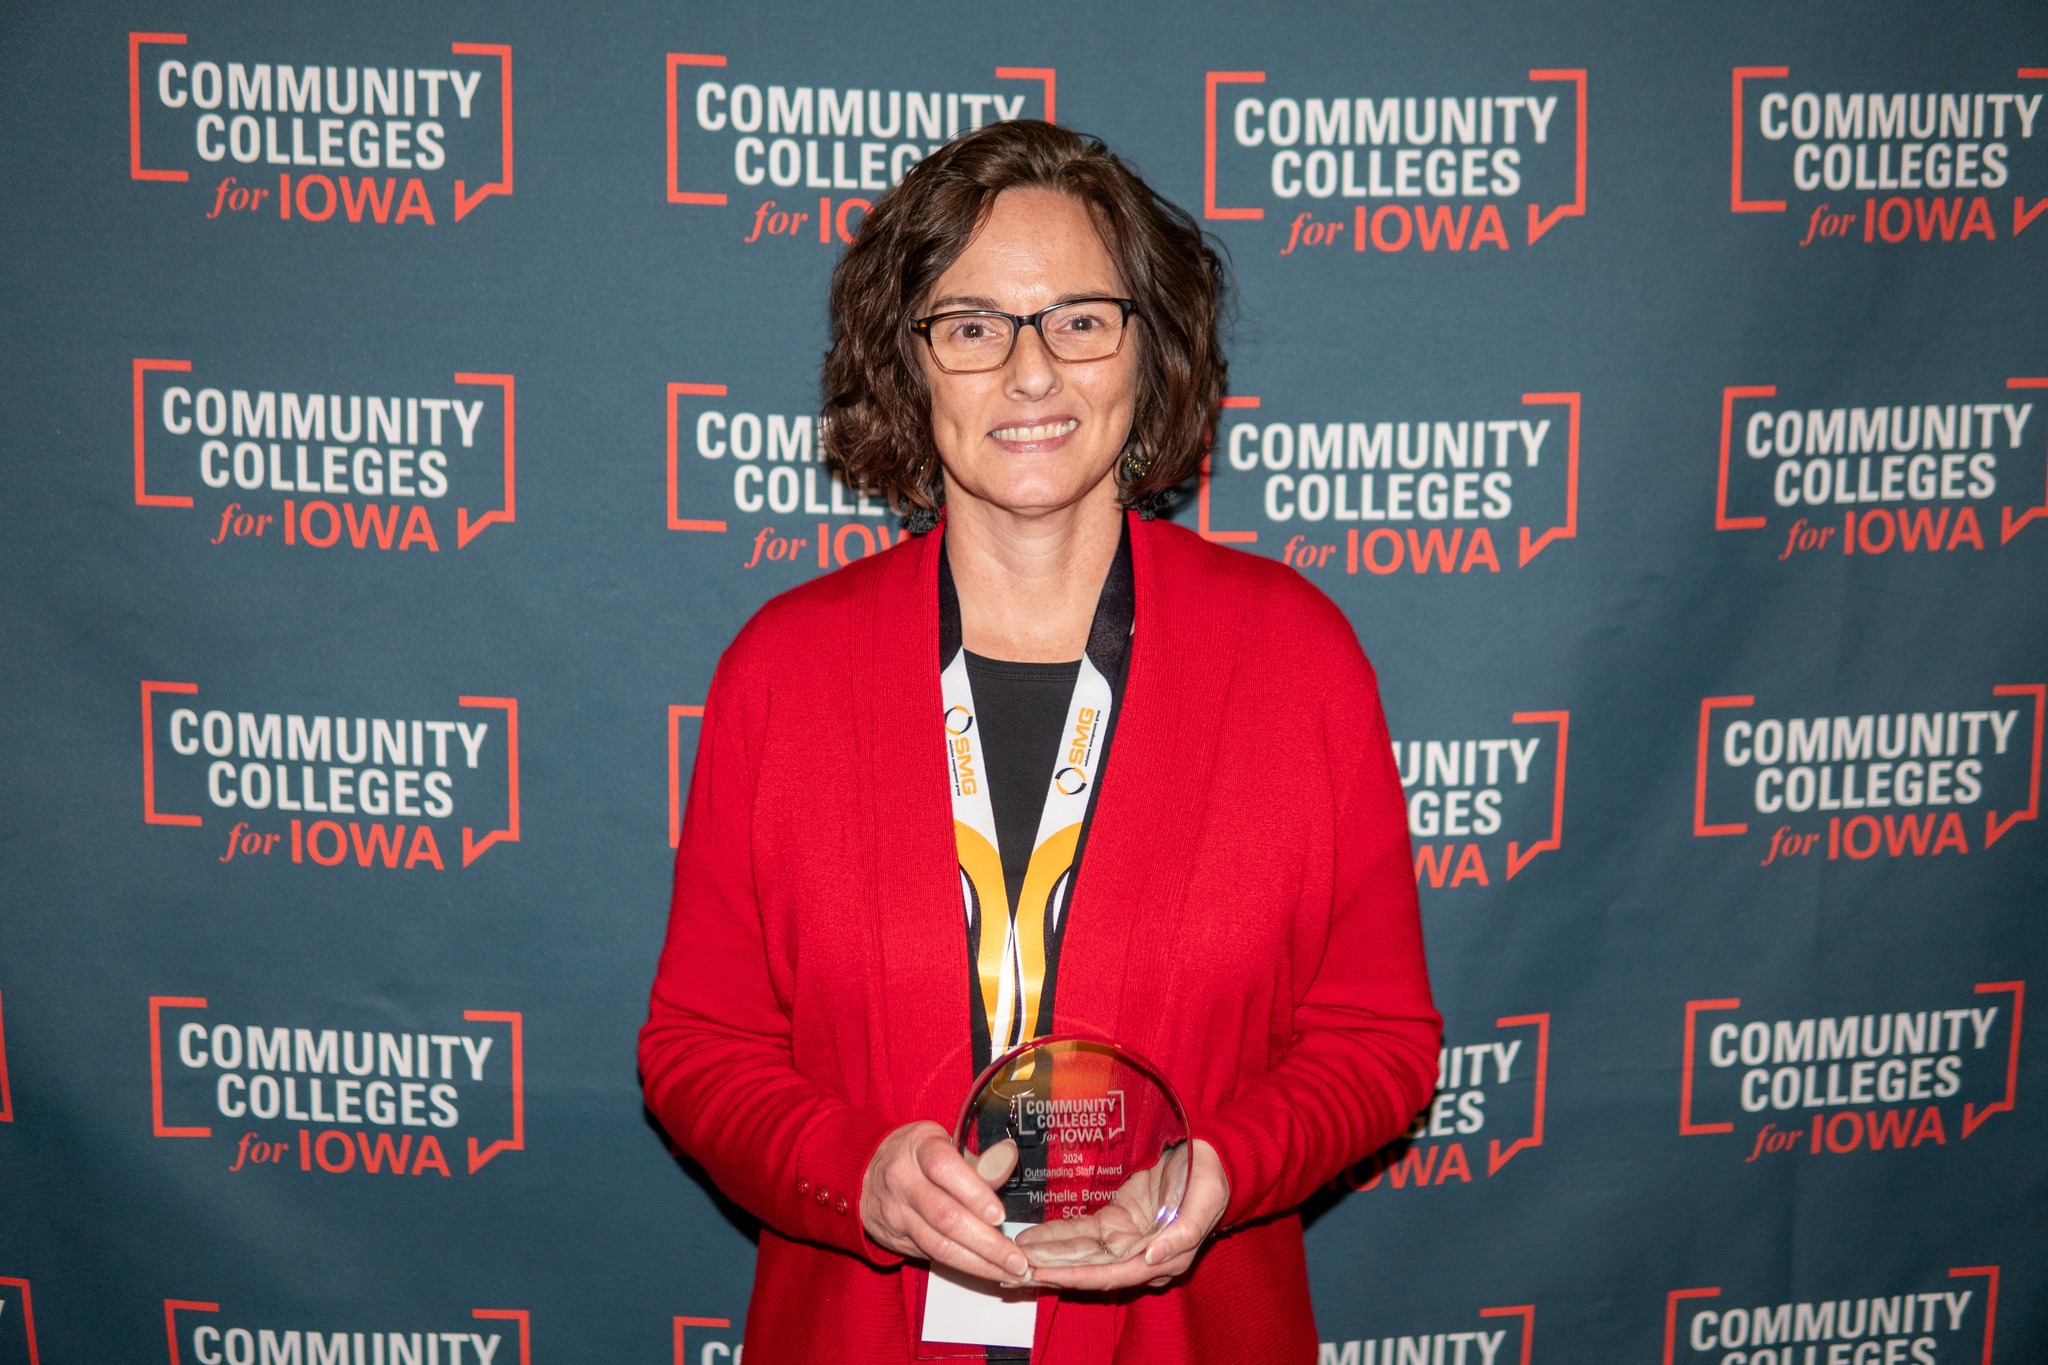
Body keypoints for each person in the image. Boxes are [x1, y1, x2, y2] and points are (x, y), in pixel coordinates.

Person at [640, 119, 1439, 1364]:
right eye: (971, 326)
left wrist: (1226, 1168)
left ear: (1148, 348)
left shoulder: (1293, 659)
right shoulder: (782, 671)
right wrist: (858, 1172)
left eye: (1078, 318)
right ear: (906, 366)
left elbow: (1376, 1040)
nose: (1029, 373)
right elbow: (699, 1046)